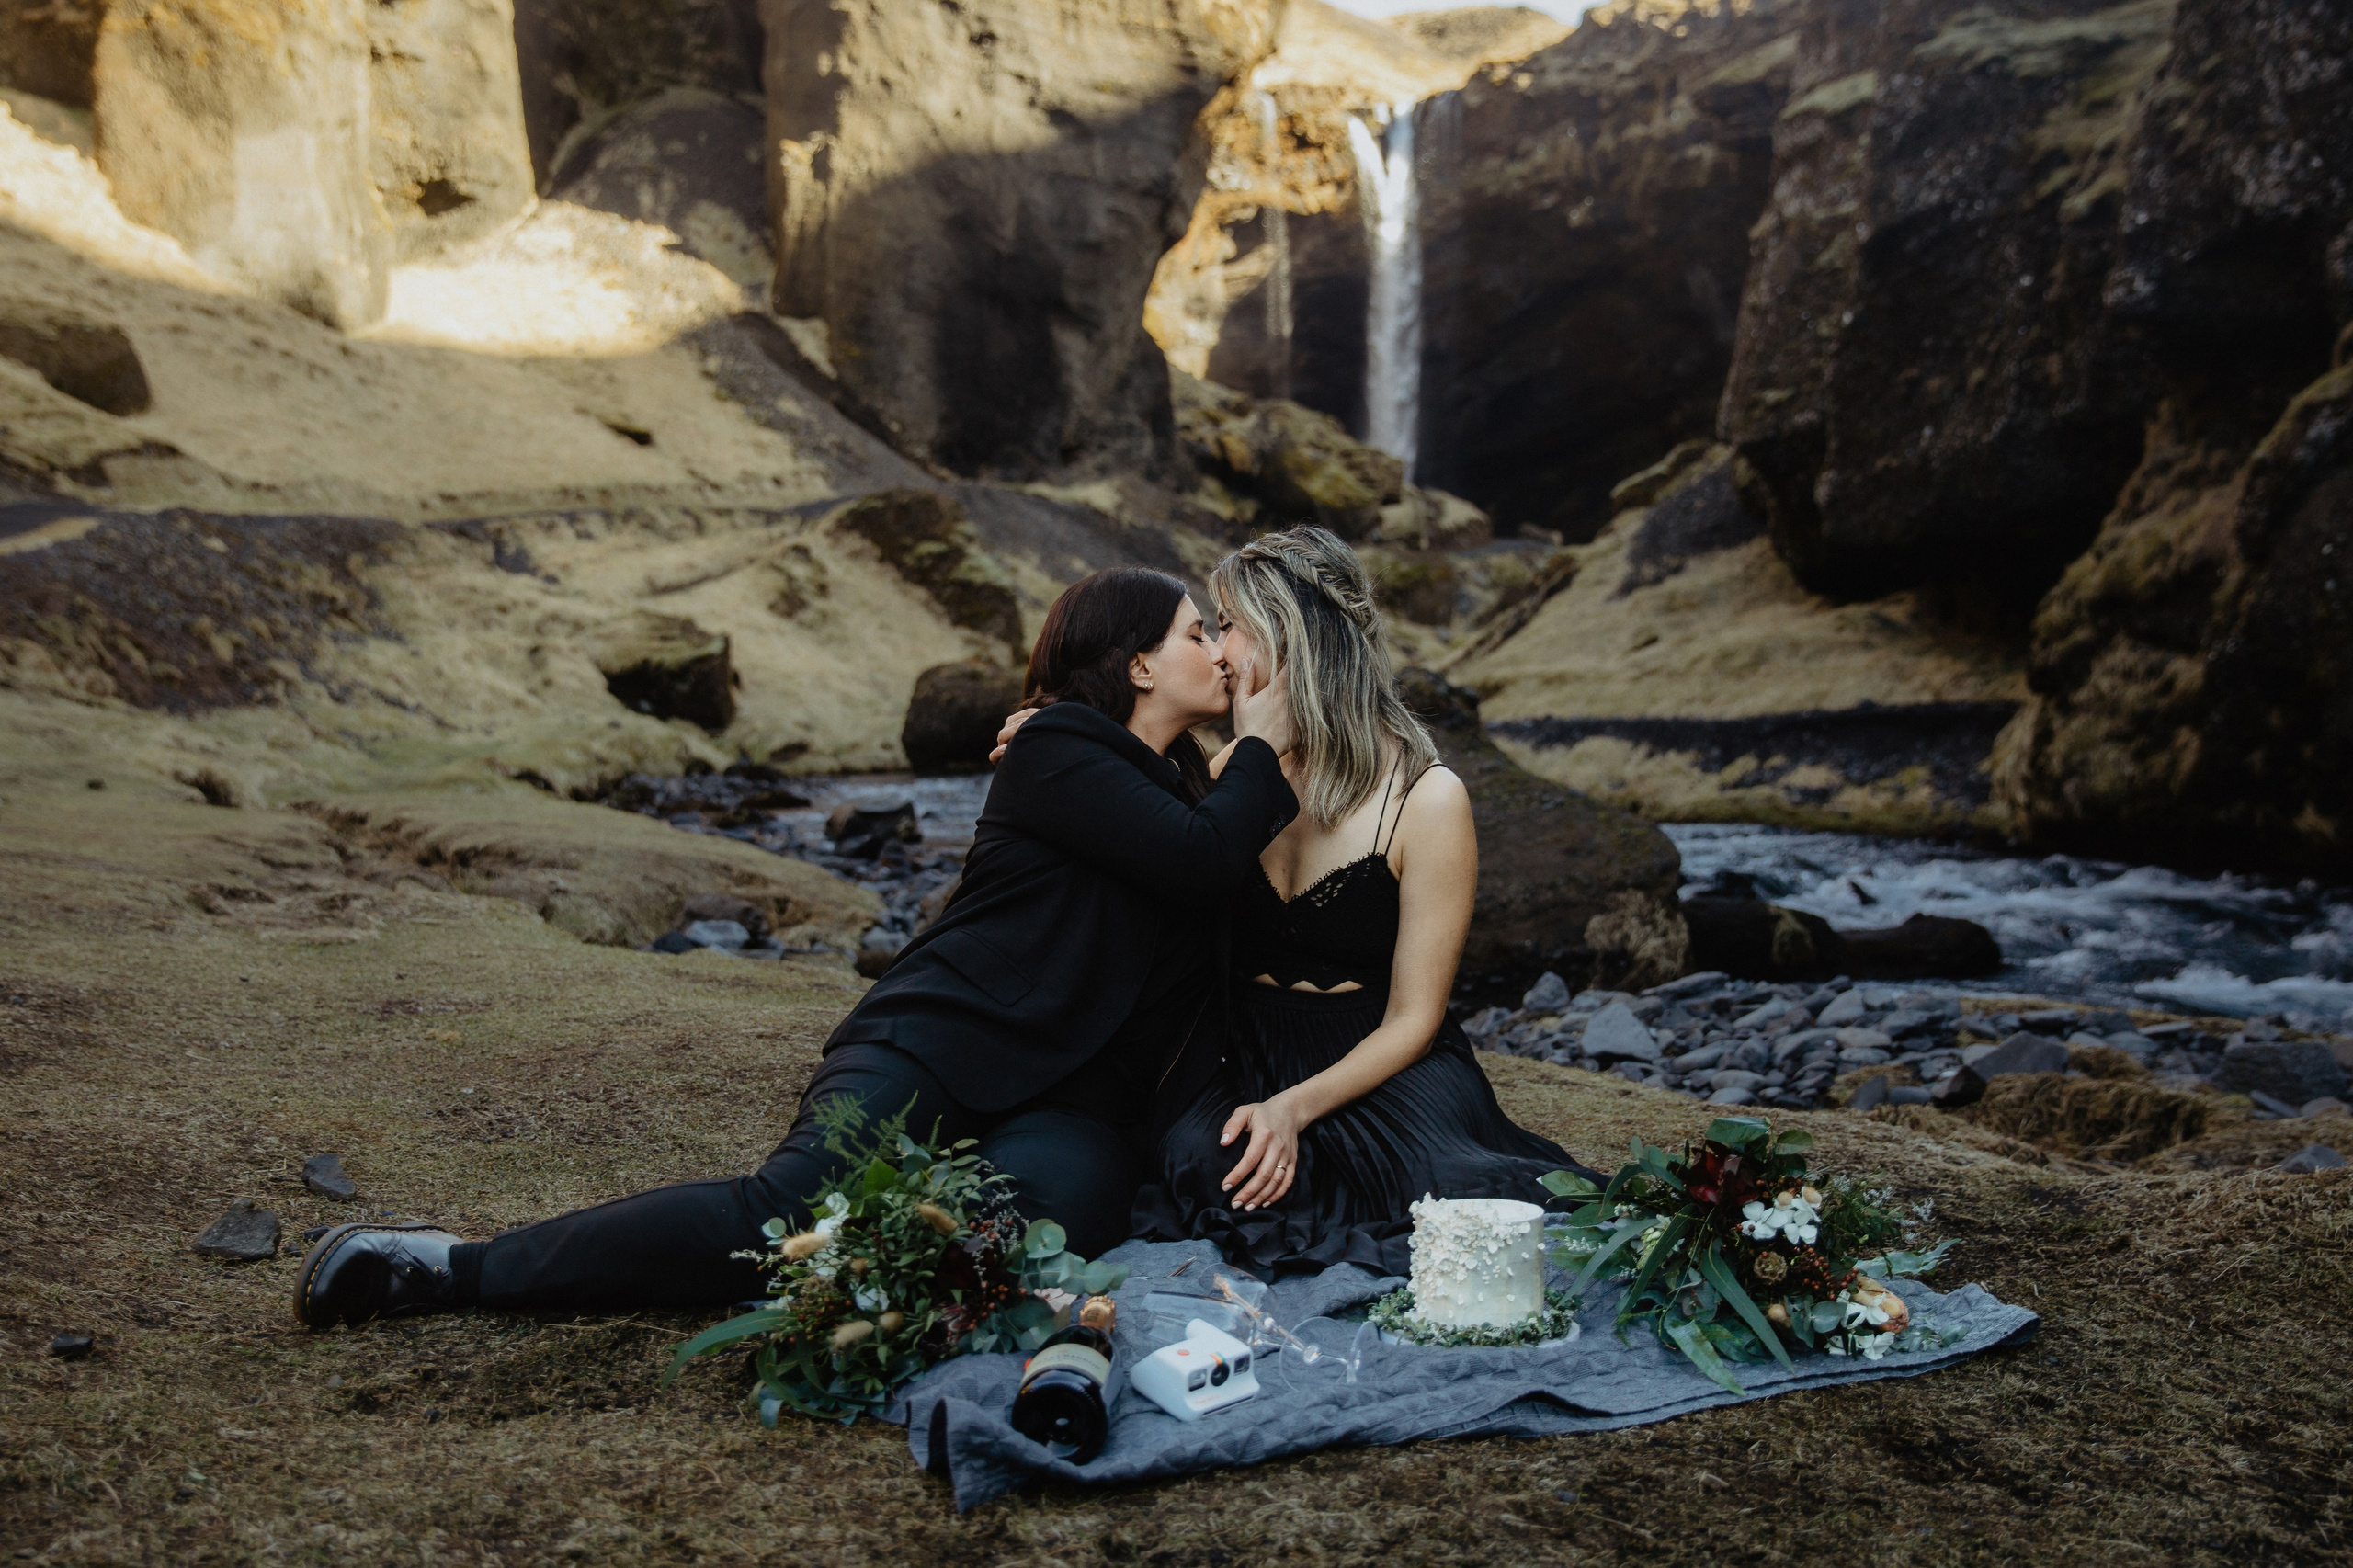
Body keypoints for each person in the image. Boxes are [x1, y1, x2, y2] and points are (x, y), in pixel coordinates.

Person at [293, 567, 1297, 1327]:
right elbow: (1198, 857)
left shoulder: (1188, 788)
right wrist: (1261, 735)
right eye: (1196, 632)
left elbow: (1216, 865)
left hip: (1078, 1104)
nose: (1219, 650)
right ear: (1136, 664)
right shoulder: (1056, 746)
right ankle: (449, 1267)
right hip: (941, 1042)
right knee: (786, 1217)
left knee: (1006, 1249)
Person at [1130, 526, 1593, 1278]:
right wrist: (1059, 733)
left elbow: (1416, 1017)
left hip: (1380, 1058)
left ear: (1289, 636)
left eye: (1231, 625)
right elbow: (1133, 824)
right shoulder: (1233, 771)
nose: (1218, 650)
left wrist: (1293, 1109)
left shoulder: (1426, 797)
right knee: (1208, 1167)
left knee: (1445, 1197)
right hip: (1250, 1051)